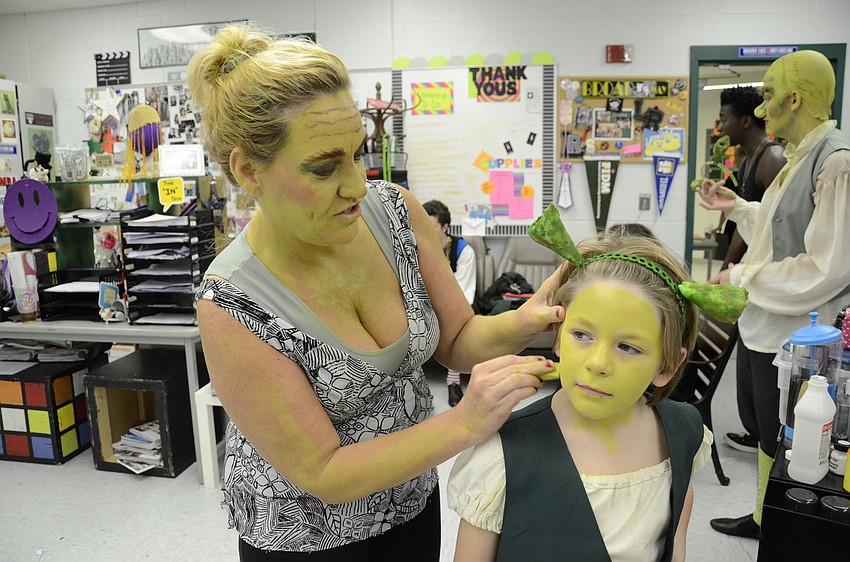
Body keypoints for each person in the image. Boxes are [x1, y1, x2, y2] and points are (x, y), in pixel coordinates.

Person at [187, 23, 564, 560]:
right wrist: (464, 421)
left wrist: (525, 323)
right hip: (308, 536)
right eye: (324, 167)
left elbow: (455, 338)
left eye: (358, 153)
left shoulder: (393, 214)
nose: (357, 184)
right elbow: (324, 471)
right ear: (249, 169)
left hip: (410, 500)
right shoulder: (232, 301)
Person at [449, 230, 715, 561]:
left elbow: (674, 545)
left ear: (668, 366)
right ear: (557, 335)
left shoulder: (684, 435)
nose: (598, 363)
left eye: (628, 347)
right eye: (582, 334)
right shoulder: (501, 456)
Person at [698, 49, 850, 539]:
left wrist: (741, 279)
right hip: (766, 326)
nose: (761, 109)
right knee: (768, 434)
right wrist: (739, 206)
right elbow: (777, 226)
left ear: (796, 97)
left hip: (799, 337)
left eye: (767, 95)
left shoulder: (836, 163)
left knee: (788, 440)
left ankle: (778, 525)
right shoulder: (799, 156)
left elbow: (827, 266)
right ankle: (765, 518)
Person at [714, 86, 787, 454]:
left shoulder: (773, 159)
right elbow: (749, 221)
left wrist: (740, 270)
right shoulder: (746, 160)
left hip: (770, 282)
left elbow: (778, 227)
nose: (720, 124)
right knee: (745, 362)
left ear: (745, 120)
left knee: (762, 370)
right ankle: (755, 432)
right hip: (748, 275)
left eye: (725, 118)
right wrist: (730, 264)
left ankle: (766, 439)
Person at [423, 200, 476, 407]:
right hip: (424, 303)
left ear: (445, 227)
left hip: (457, 305)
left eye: (432, 227)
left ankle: (453, 382)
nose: (425, 232)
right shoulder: (416, 248)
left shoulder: (463, 251)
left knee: (456, 324)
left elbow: (465, 293)